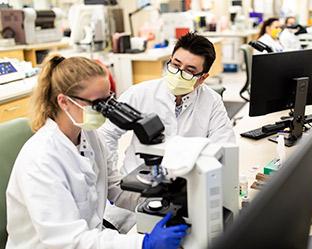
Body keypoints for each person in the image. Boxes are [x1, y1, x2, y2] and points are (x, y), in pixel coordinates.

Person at [5, 55, 188, 249]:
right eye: (97, 104)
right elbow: (67, 241)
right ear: (64, 102)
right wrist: (143, 243)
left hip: (90, 238)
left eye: (108, 100)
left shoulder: (90, 136)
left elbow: (114, 187)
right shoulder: (41, 159)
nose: (105, 111)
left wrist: (160, 202)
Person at [99, 32, 235, 176]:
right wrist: (112, 179)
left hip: (186, 182)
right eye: (175, 65)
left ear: (202, 78)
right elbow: (106, 134)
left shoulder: (212, 101)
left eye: (189, 71)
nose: (178, 74)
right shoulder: (140, 93)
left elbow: (224, 145)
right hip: (137, 182)